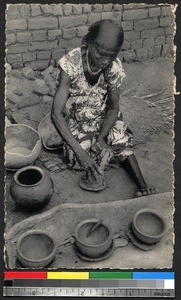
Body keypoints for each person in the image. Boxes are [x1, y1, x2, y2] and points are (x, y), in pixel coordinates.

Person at [51, 19, 157, 197]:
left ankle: (143, 186)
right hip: (78, 118)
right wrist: (79, 151)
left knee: (119, 139)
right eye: (101, 55)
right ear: (89, 44)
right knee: (77, 157)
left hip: (102, 116)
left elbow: (113, 108)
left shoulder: (113, 67)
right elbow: (56, 114)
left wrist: (101, 137)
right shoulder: (71, 64)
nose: (105, 61)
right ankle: (96, 151)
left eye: (112, 55)